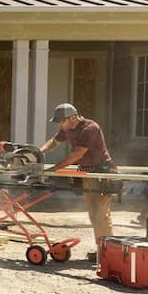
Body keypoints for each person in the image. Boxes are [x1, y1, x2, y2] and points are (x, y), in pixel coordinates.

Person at [39, 103, 117, 261]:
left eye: (61, 121)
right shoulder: (68, 129)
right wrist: (39, 151)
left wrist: (56, 168)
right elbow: (54, 141)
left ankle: (108, 253)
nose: (60, 125)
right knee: (93, 213)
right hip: (87, 171)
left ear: (73, 117)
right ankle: (102, 250)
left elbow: (78, 154)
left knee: (101, 214)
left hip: (103, 172)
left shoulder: (90, 128)